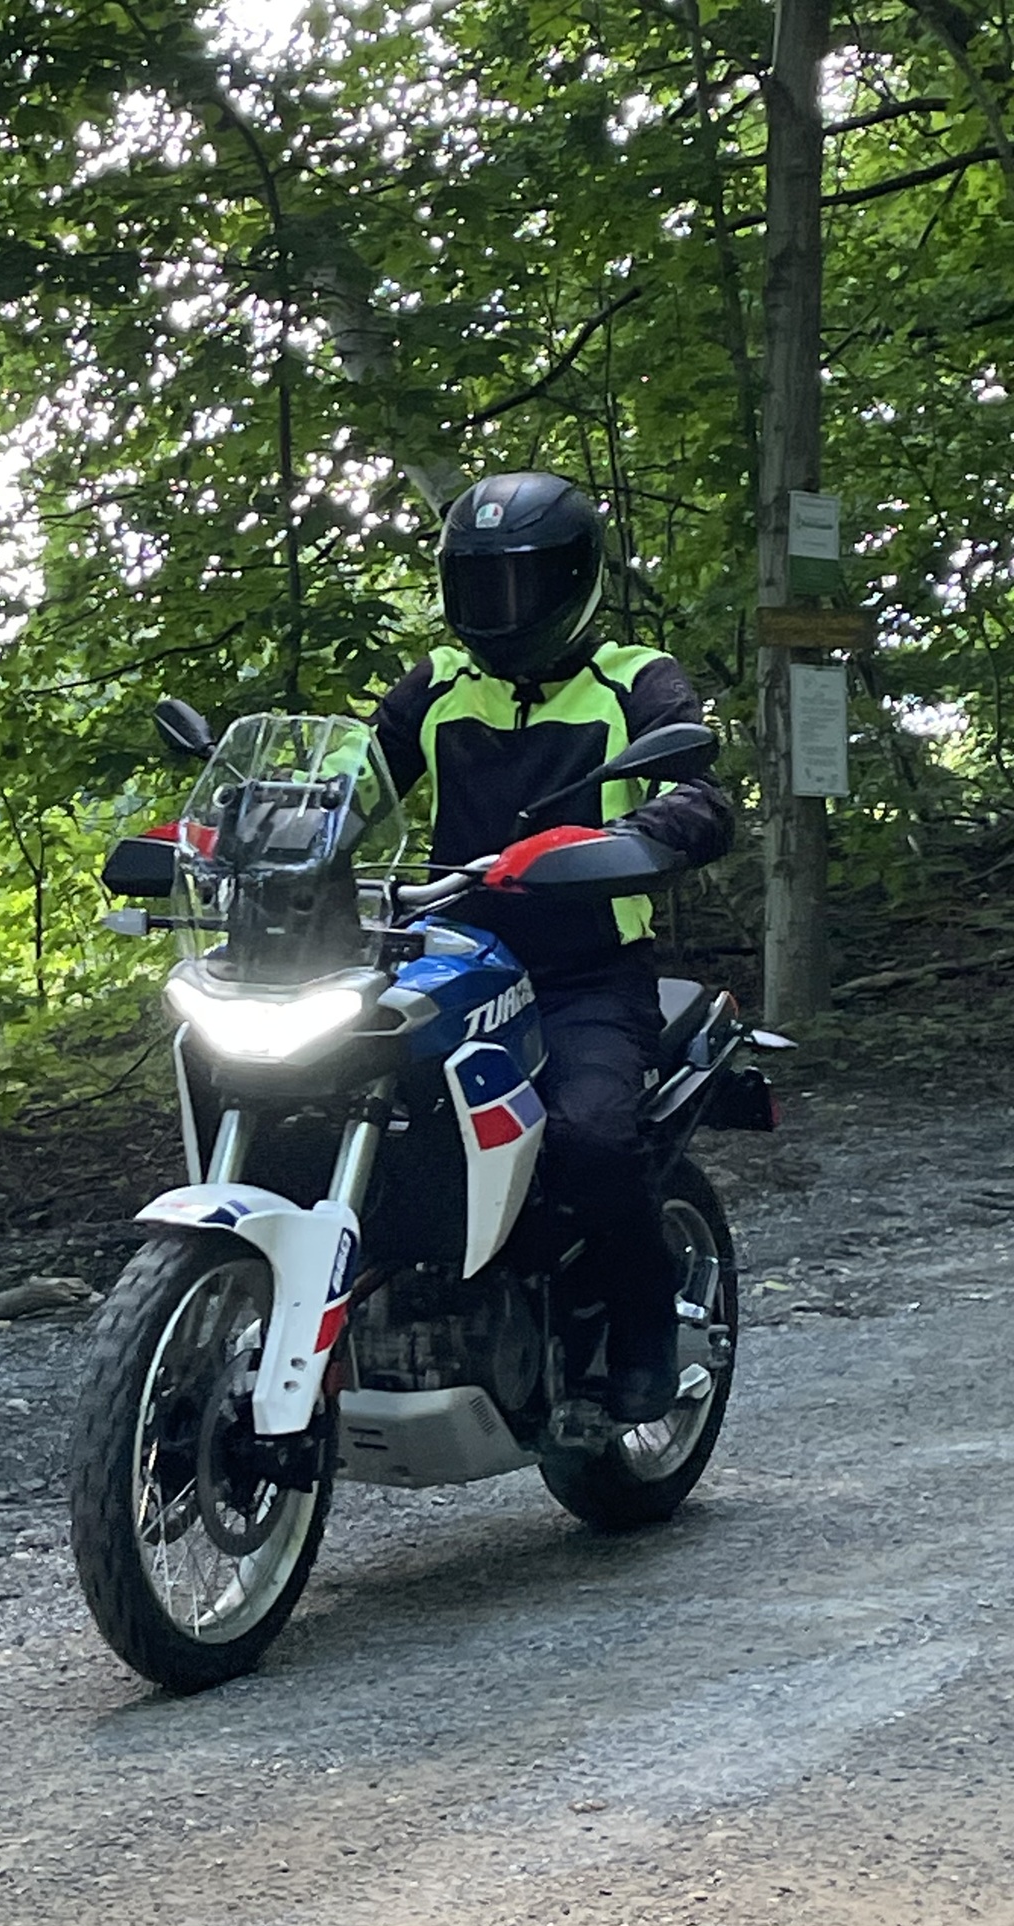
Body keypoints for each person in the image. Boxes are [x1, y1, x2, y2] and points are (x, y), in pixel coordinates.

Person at [374, 471, 734, 1424]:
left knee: (589, 1137)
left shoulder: (635, 678)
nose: (504, 609)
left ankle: (644, 1327)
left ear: (577, 580)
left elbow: (699, 788)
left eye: (526, 583)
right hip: (444, 962)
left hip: (585, 975)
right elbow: (354, 785)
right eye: (482, 586)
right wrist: (256, 829)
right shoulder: (438, 687)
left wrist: (645, 833)